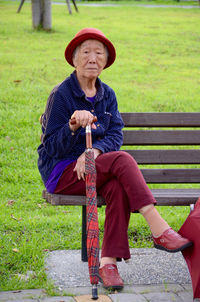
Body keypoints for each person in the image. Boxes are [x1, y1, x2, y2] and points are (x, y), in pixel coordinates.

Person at [37, 28, 192, 290]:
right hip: (62, 174)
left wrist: (93, 152)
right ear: (74, 60)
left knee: (117, 187)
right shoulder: (61, 95)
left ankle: (107, 263)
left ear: (106, 61)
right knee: (121, 160)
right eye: (85, 52)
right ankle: (158, 227)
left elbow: (115, 134)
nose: (92, 58)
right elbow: (51, 146)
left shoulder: (107, 95)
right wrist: (73, 125)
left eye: (99, 53)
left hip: (94, 167)